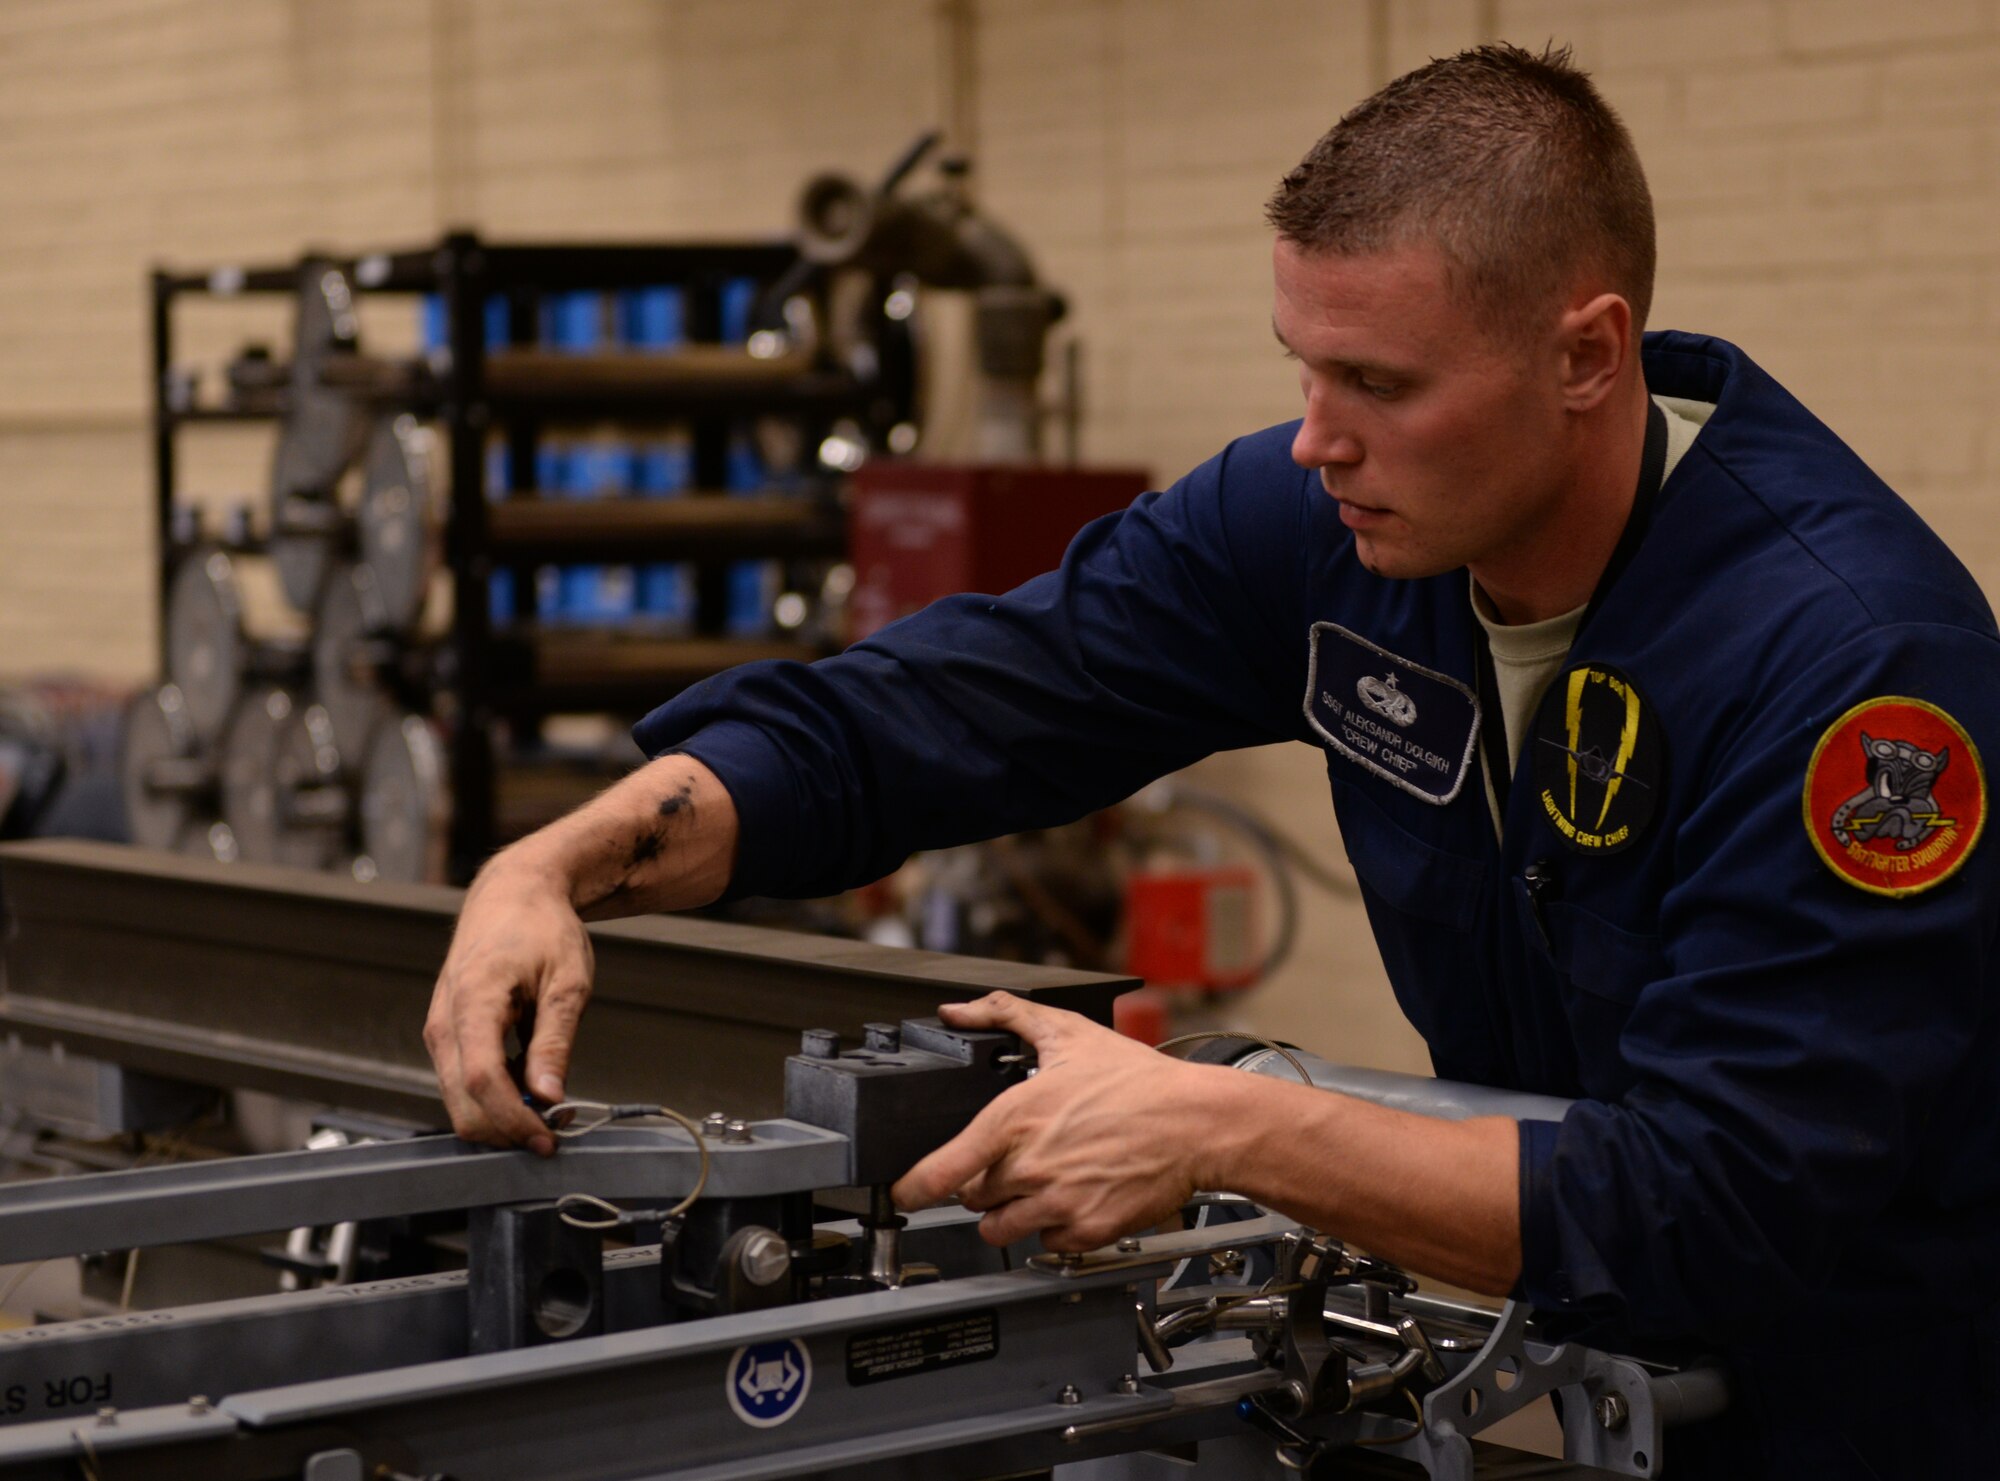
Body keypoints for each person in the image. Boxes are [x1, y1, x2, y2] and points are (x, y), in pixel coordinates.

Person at [426, 44, 2000, 1476]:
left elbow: (1718, 1200)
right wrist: (571, 852)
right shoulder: (1327, 528)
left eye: (1381, 383)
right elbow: (959, 703)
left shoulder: (1856, 677)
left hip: (1873, 1411)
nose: (1317, 437)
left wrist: (1220, 1122)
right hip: (1579, 1386)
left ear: (1588, 356)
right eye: (1301, 365)